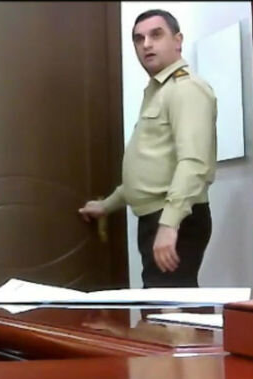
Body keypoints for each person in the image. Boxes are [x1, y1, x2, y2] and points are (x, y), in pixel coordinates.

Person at [78, 9, 217, 288]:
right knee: (167, 302)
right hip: (159, 217)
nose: (147, 44)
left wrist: (169, 224)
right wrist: (106, 206)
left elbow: (194, 163)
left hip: (175, 217)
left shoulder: (185, 89)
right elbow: (152, 168)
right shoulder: (158, 91)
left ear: (177, 40)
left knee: (171, 306)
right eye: (139, 39)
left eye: (156, 35)